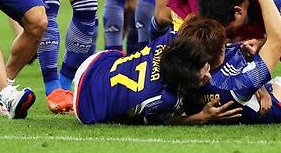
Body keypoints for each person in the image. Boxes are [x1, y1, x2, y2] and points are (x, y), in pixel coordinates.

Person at [72, 17, 239, 125]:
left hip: (97, 64)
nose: (209, 77)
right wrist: (201, 117)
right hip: (86, 105)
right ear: (185, 80)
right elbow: (159, 121)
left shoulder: (168, 39)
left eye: (207, 68)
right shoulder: (167, 98)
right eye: (202, 78)